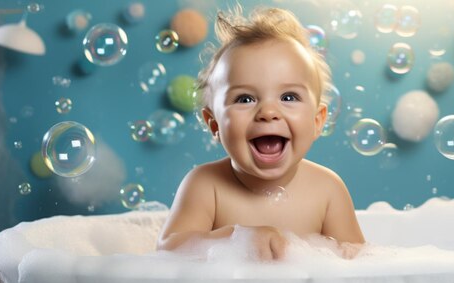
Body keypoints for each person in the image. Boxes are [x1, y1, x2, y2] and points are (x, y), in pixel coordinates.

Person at [156, 6, 365, 260]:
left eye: (288, 96)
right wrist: (237, 239)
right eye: (244, 98)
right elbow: (168, 250)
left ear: (317, 121)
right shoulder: (204, 185)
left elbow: (359, 265)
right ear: (214, 124)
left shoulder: (328, 190)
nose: (268, 111)